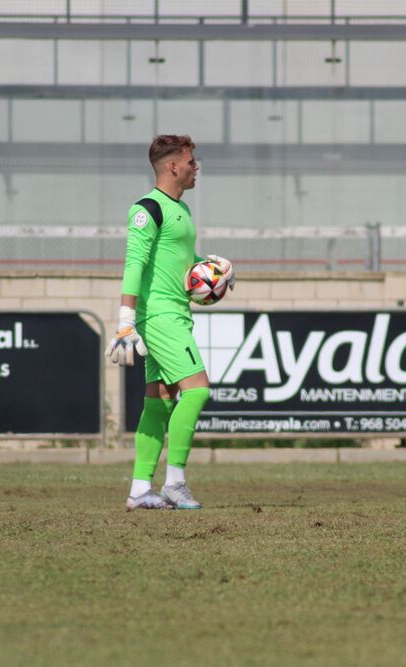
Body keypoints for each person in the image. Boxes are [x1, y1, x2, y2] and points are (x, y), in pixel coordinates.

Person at [106, 135, 235, 510]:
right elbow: (134, 265)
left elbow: (183, 263)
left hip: (176, 312)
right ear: (173, 166)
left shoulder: (182, 210)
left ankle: (139, 490)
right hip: (159, 316)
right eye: (191, 161)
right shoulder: (147, 209)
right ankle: (175, 482)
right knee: (197, 390)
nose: (197, 168)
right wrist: (126, 319)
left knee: (160, 400)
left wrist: (214, 271)